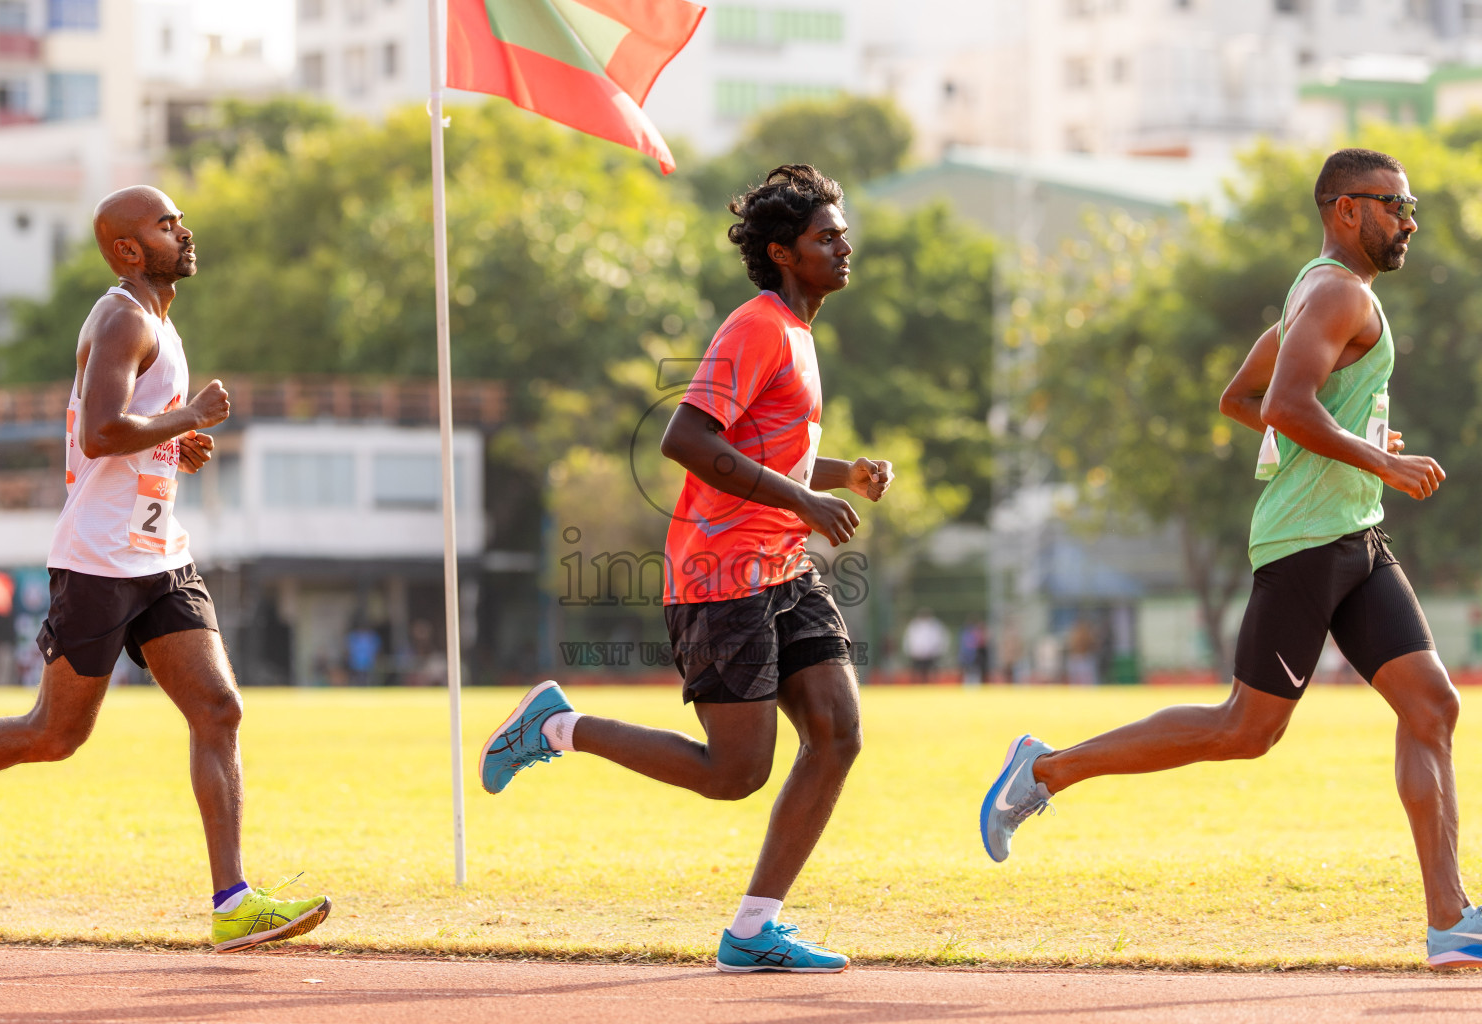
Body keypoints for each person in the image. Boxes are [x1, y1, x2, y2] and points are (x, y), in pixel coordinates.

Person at [980, 149, 1479, 970]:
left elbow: (1240, 400)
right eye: (1394, 204)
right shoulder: (1336, 291)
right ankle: (1044, 770)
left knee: (1432, 706)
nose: (1409, 220)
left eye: (1409, 203)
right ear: (1345, 210)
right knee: (1244, 730)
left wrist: (1357, 452)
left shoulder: (1320, 290)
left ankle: (1449, 919)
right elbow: (1280, 405)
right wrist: (1380, 460)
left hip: (1355, 536)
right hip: (1306, 544)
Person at [480, 165, 893, 973]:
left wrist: (840, 476)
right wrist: (805, 504)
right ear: (783, 252)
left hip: (781, 568)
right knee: (735, 773)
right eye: (826, 237)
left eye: (843, 232)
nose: (845, 246)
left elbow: (766, 453)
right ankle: (559, 727)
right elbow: (688, 442)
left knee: (838, 736)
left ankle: (752, 930)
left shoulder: (799, 334)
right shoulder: (758, 327)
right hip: (721, 577)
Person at [0, 186, 329, 953]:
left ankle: (233, 901)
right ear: (127, 250)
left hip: (159, 554)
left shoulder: (157, 318)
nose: (182, 230)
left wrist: (171, 444)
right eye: (164, 223)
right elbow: (98, 432)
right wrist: (189, 417)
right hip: (98, 561)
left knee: (218, 709)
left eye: (179, 217)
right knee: (52, 735)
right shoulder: (122, 316)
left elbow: (131, 430)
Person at [903, 609, 948, 682]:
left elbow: (941, 639)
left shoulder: (936, 625)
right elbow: (909, 639)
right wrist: (910, 651)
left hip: (931, 655)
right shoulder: (914, 625)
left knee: (931, 675)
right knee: (917, 675)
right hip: (917, 655)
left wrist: (939, 651)